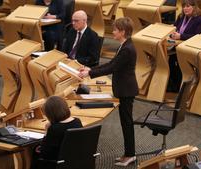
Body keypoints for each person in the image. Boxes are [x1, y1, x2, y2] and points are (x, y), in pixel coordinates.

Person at [78, 17, 138, 167]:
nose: (113, 32)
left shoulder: (127, 49)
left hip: (126, 90)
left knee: (127, 124)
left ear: (123, 31)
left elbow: (112, 68)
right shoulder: (124, 45)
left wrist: (90, 74)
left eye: (116, 29)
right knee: (126, 123)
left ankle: (130, 155)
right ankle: (128, 153)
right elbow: (111, 64)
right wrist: (91, 70)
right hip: (124, 89)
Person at [30, 96, 83, 169]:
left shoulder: (54, 128)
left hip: (58, 163)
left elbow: (45, 153)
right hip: (75, 160)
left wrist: (46, 131)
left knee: (35, 151)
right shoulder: (77, 121)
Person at [167, 0, 201, 92]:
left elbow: (198, 36)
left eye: (188, 6)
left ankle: (178, 86)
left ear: (195, 7)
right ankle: (172, 84)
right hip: (177, 46)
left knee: (176, 61)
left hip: (190, 49)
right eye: (184, 6)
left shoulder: (200, 20)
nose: (185, 9)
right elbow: (175, 28)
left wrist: (181, 36)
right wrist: (172, 33)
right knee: (168, 60)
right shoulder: (181, 17)